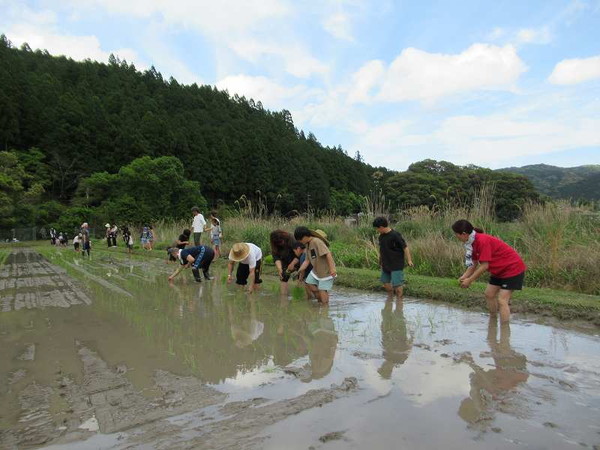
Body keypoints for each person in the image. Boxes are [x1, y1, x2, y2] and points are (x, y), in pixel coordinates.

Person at [452, 219, 526, 323]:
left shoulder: (482, 240)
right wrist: (464, 277)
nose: (456, 237)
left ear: (464, 234)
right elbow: (473, 264)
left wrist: (470, 280)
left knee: (502, 300)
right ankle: (493, 321)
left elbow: (484, 266)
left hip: (512, 268)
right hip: (499, 271)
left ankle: (504, 330)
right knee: (489, 294)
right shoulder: (471, 243)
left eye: (456, 234)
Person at [373, 216, 414, 302]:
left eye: (377, 229)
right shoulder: (381, 237)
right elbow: (382, 249)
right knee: (386, 283)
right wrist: (380, 259)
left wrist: (409, 260)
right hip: (386, 264)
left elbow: (405, 247)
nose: (377, 231)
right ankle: (390, 300)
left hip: (396, 264)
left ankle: (399, 305)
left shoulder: (395, 235)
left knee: (397, 286)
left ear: (381, 227)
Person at [294, 227, 336, 305]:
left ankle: (324, 307)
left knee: (322, 290)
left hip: (325, 271)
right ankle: (320, 301)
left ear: (304, 236)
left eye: (300, 240)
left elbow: (328, 254)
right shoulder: (307, 244)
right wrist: (298, 271)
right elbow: (307, 261)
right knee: (309, 283)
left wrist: (332, 269)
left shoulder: (317, 241)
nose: (300, 242)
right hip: (316, 271)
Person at [270, 230, 300, 296]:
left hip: (297, 259)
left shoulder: (292, 239)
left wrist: (293, 264)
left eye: (281, 241)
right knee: (283, 277)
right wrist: (279, 268)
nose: (280, 243)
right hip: (285, 260)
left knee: (301, 278)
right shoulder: (275, 245)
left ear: (284, 237)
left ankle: (302, 296)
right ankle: (283, 298)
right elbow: (276, 257)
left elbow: (299, 254)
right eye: (278, 243)